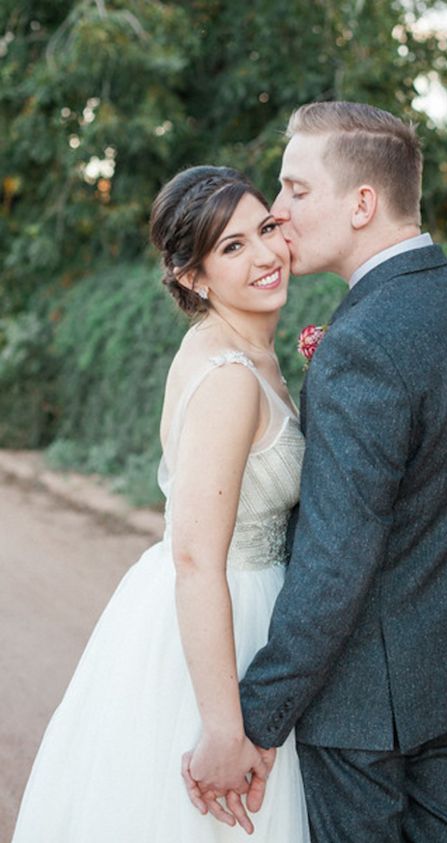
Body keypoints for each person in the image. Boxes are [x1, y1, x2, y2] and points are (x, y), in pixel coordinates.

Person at [185, 102, 447, 841]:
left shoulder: (360, 344)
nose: (277, 213)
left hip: (367, 709)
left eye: (296, 190)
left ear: (363, 202)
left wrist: (258, 719)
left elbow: (337, 560)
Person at [11, 165, 310, 842]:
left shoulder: (249, 352)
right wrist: (224, 728)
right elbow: (197, 556)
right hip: (225, 621)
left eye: (265, 228)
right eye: (231, 247)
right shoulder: (229, 378)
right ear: (192, 279)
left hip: (251, 603)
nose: (265, 253)